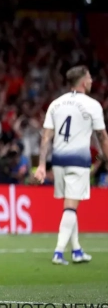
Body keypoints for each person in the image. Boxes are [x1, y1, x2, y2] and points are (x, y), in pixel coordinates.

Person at [34, 65, 108, 265]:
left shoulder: (56, 103)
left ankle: (76, 251)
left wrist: (42, 165)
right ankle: (58, 252)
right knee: (71, 207)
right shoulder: (92, 105)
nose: (91, 80)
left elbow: (46, 137)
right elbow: (102, 136)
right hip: (78, 161)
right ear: (83, 81)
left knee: (70, 205)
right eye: (89, 77)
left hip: (59, 161)